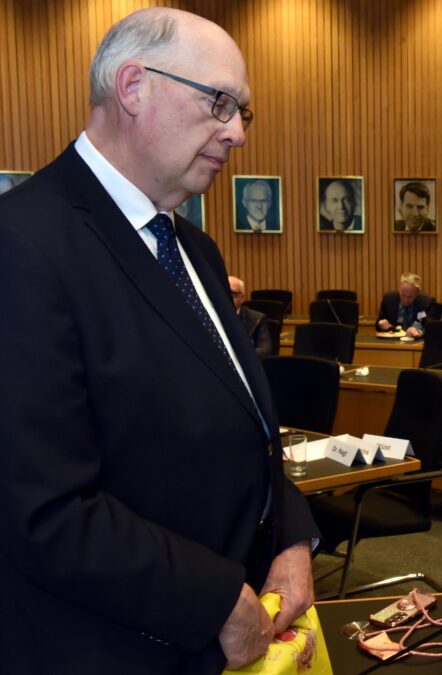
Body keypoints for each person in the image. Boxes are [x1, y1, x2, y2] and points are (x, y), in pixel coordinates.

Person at [0, 9, 319, 673]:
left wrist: (290, 538)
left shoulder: (190, 246)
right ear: (133, 86)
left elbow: (246, 425)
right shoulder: (21, 244)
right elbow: (44, 509)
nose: (236, 132)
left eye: (242, 113)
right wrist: (211, 602)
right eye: (220, 102)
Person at [376, 273, 432, 338]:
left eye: (410, 296)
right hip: (392, 339)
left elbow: (429, 326)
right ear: (399, 289)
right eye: (403, 295)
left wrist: (419, 332)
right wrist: (382, 325)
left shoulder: (425, 302)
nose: (405, 300)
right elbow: (378, 324)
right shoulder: (389, 300)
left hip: (415, 341)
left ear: (417, 293)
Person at [230, 275, 273, 356]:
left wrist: (239, 355)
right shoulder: (213, 317)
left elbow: (265, 350)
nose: (227, 297)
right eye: (224, 293)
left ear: (242, 298)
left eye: (232, 294)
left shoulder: (256, 319)